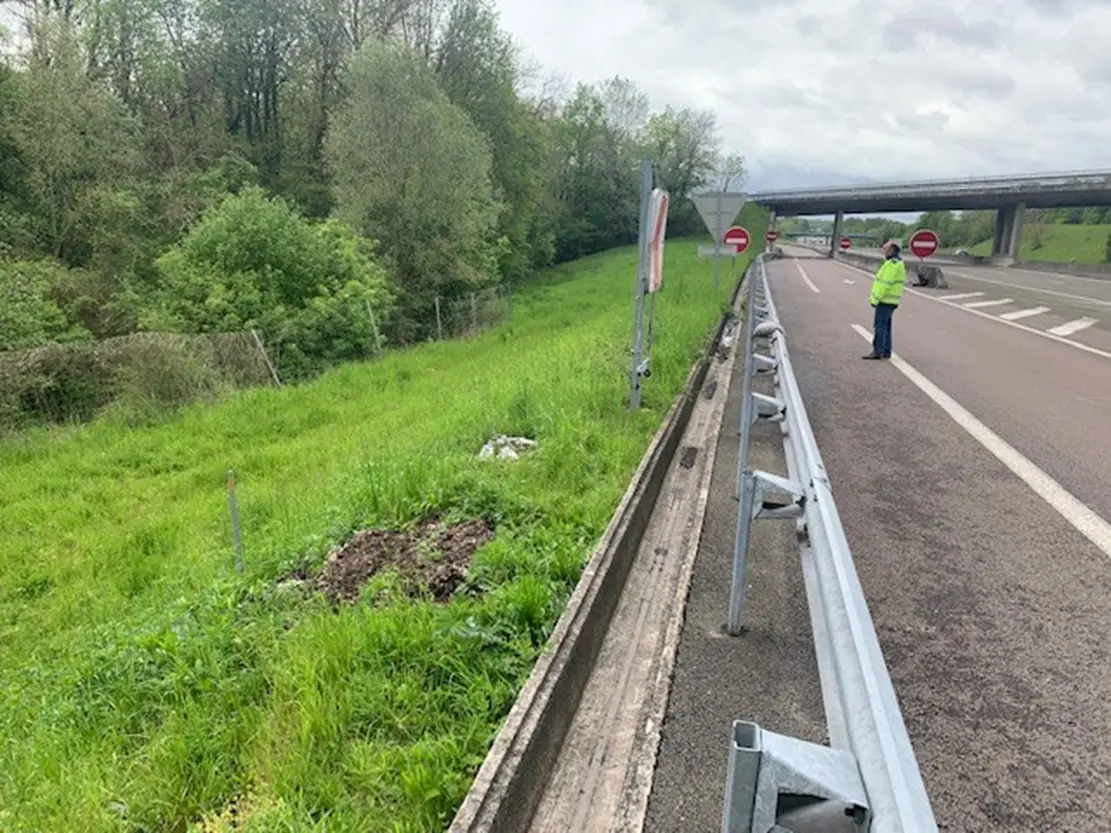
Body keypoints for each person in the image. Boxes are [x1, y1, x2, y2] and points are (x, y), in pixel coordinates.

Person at [863, 240, 906, 360]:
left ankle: (878, 351)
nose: (883, 250)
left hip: (885, 300)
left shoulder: (892, 265)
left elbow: (884, 284)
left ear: (892, 250)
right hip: (890, 301)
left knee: (880, 326)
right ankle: (886, 351)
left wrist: (875, 299)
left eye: (885, 249)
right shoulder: (896, 263)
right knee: (886, 326)